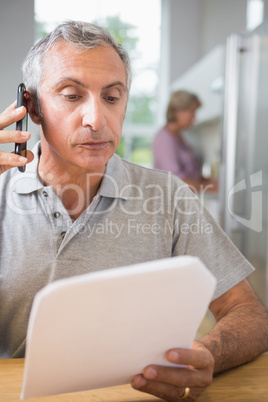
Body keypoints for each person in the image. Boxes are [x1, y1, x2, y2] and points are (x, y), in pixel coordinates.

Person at [0, 21, 268, 402]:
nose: (96, 120)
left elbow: (251, 315)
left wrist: (208, 353)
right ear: (32, 107)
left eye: (112, 97)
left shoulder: (168, 196)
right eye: (72, 95)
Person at [153, 90, 217, 193]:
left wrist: (208, 181)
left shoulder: (181, 137)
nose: (194, 117)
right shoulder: (164, 139)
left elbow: (191, 173)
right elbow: (175, 180)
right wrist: (208, 187)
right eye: (192, 112)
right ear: (178, 111)